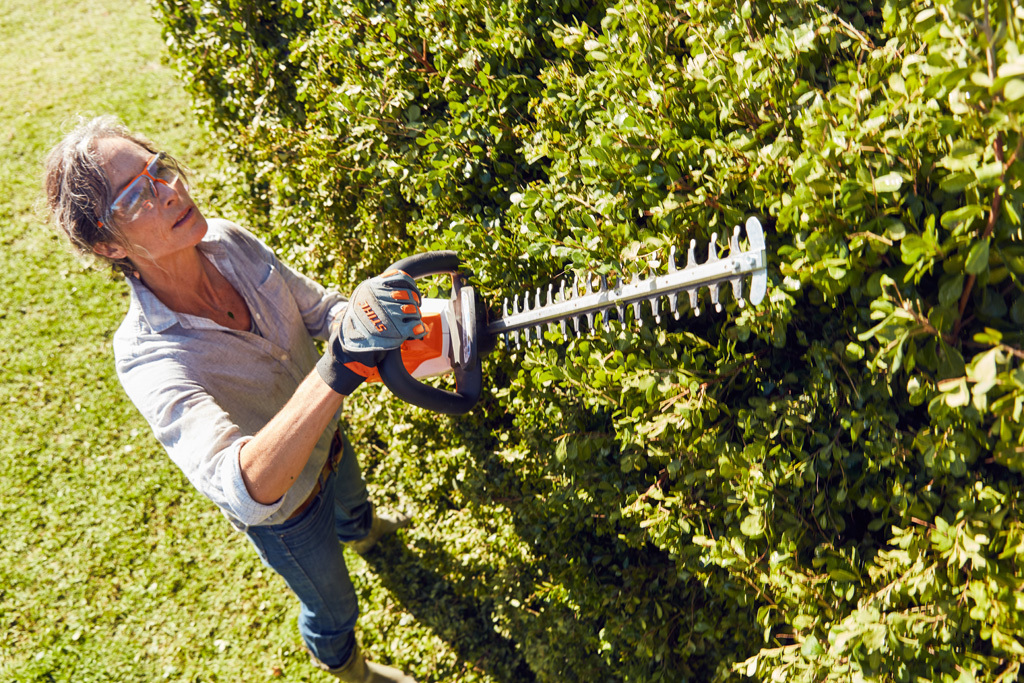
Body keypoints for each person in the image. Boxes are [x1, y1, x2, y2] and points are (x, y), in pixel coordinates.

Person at [43, 116, 424, 682]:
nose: (170, 190)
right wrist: (338, 368)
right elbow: (241, 489)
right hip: (289, 518)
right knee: (334, 607)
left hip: (330, 436)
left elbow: (320, 311)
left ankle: (363, 532)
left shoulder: (228, 240)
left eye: (159, 169)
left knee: (352, 498)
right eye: (136, 196)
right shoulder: (147, 357)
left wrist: (360, 318)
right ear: (109, 244)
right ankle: (353, 671)